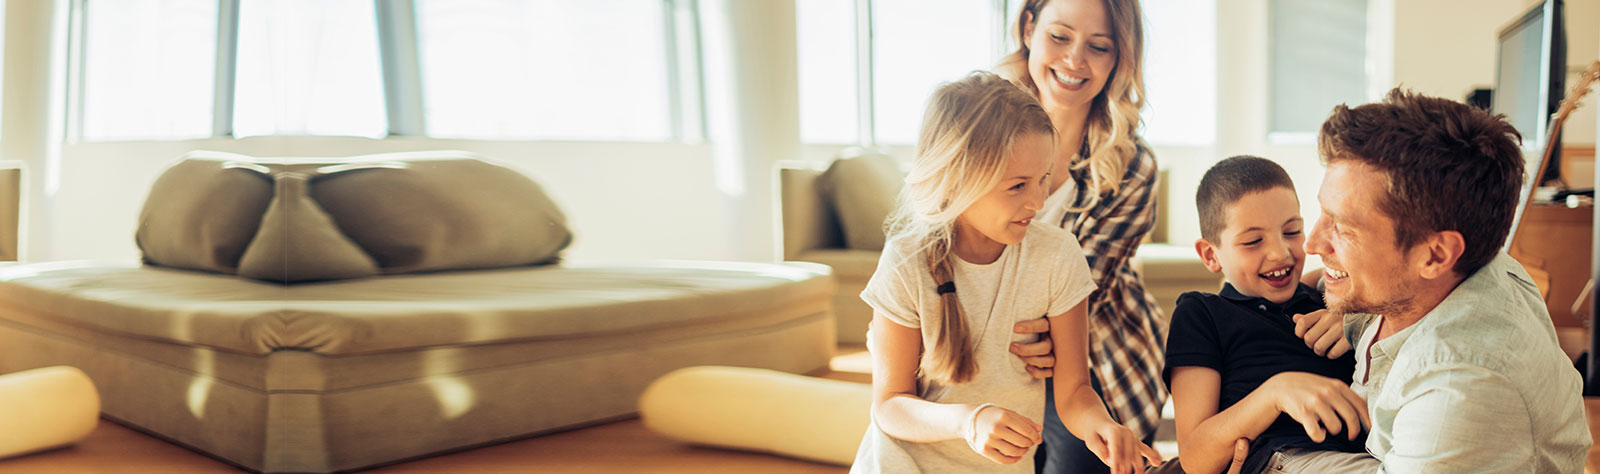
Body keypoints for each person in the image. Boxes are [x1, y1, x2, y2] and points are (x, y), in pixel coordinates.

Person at [850, 71, 1159, 473]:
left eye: (1044, 178)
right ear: (958, 177)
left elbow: (1073, 393)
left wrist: (1100, 424)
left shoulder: (1058, 254)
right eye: (1017, 186)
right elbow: (890, 405)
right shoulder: (907, 259)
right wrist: (969, 421)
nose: (1037, 201)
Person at [1288, 88, 1593, 471]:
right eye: (1322, 212)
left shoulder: (1459, 391)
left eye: (1344, 228)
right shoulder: (1472, 262)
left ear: (1435, 255)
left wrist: (1277, 460)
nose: (1313, 243)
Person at [996, 1, 1168, 471]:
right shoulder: (978, 128)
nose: (1075, 60)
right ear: (1029, 26)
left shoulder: (1133, 165)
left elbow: (1076, 291)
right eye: (1060, 37)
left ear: (1119, 59)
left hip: (1096, 354)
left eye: (1099, 47)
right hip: (991, 341)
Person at [1163, 156, 1368, 474]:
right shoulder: (1202, 313)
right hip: (1280, 459)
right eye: (1253, 241)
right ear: (1210, 254)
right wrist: (1277, 393)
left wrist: (1352, 317)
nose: (1279, 252)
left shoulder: (1327, 301)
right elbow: (1194, 457)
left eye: (1292, 231)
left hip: (1364, 453)